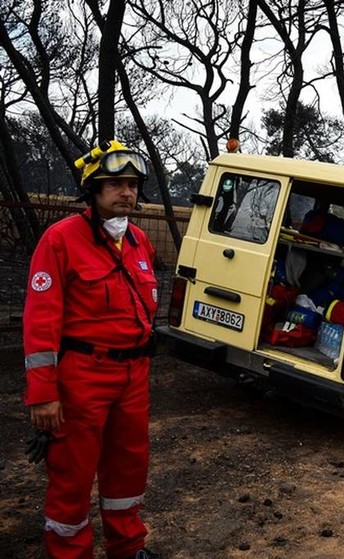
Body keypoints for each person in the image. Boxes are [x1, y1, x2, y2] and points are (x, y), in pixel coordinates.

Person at [23, 140, 160, 559]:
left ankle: (127, 547)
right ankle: (69, 553)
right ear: (93, 191)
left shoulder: (138, 241)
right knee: (73, 474)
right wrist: (44, 394)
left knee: (129, 466)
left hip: (134, 376)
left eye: (133, 184)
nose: (127, 193)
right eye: (116, 184)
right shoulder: (61, 239)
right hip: (83, 375)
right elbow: (40, 320)